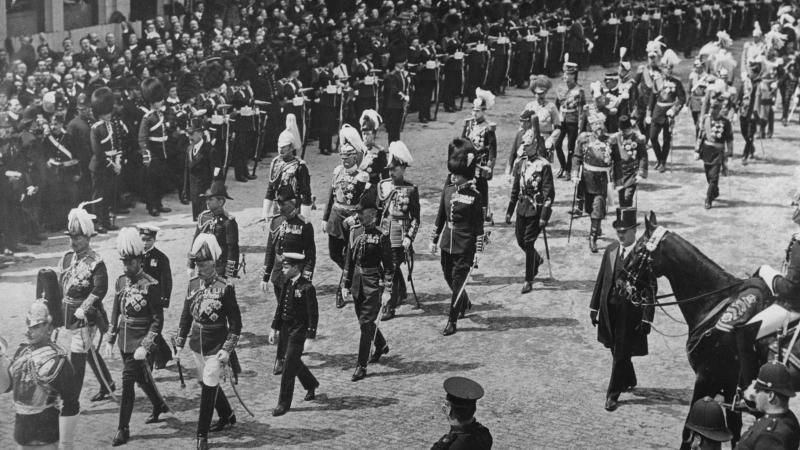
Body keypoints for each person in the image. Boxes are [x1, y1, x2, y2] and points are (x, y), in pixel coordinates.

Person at [175, 234, 243, 450]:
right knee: (206, 381)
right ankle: (227, 414)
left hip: (217, 344)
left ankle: (201, 434)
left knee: (209, 383)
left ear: (214, 262)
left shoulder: (225, 287)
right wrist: (179, 342)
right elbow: (186, 316)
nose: (200, 267)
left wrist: (227, 349)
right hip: (197, 342)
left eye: (204, 263)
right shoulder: (192, 284)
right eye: (197, 263)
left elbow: (236, 324)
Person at [589, 207, 654, 412]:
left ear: (635, 231)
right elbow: (602, 279)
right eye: (618, 231)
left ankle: (612, 394)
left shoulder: (643, 255)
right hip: (609, 311)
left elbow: (651, 288)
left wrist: (647, 318)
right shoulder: (611, 250)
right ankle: (629, 377)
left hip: (630, 314)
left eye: (625, 231)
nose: (621, 234)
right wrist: (594, 306)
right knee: (614, 348)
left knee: (621, 352)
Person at [106, 228, 167, 446]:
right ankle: (159, 404)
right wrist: (111, 338)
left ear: (140, 261)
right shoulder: (121, 281)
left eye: (130, 263)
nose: (126, 267)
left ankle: (123, 428)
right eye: (124, 262)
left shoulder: (151, 284)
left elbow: (157, 320)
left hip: (140, 340)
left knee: (127, 381)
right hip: (124, 338)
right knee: (141, 377)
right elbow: (116, 310)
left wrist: (146, 344)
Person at [3, 300, 80, 450]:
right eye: (28, 326)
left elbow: (71, 403)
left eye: (35, 327)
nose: (28, 331)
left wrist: (66, 443)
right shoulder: (22, 351)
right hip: (22, 433)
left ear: (49, 328)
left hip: (46, 435)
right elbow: (6, 387)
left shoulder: (60, 361)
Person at [58, 205, 115, 403]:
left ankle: (71, 399)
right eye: (71, 237)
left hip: (87, 317)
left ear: (88, 238)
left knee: (78, 356)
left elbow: (100, 289)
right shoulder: (66, 259)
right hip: (68, 313)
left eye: (77, 238)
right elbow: (61, 287)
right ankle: (108, 382)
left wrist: (84, 308)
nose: (73, 242)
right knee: (89, 351)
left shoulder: (95, 262)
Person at [431, 139, 487, 336]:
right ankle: (464, 299)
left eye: (456, 173)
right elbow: (440, 217)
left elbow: (479, 226)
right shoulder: (447, 191)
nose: (453, 176)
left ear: (465, 175)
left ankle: (452, 320)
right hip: (448, 242)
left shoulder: (475, 196)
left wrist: (479, 250)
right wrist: (434, 239)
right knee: (448, 275)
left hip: (465, 245)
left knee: (457, 281)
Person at [262, 185, 316, 375]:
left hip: (295, 274)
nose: (279, 207)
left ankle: (288, 353)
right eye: (277, 203)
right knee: (285, 316)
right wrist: (265, 275)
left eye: (282, 203)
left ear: (292, 202)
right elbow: (271, 249)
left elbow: (310, 253)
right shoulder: (276, 222)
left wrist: (306, 276)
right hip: (279, 274)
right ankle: (282, 357)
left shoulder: (304, 224)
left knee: (292, 316)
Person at [343, 188, 393, 381]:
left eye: (361, 213)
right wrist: (346, 284)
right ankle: (380, 343)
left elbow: (389, 267)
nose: (358, 217)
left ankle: (361, 365)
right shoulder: (355, 232)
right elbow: (349, 259)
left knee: (365, 324)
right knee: (364, 321)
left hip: (373, 284)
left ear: (372, 213)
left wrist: (388, 290)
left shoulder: (382, 236)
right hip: (357, 282)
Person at [323, 125, 370, 309]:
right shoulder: (336, 172)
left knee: (351, 255)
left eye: (348, 157)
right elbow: (330, 195)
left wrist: (357, 218)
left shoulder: (362, 177)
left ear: (355, 157)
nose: (344, 160)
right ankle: (353, 276)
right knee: (335, 254)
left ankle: (343, 286)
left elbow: (365, 202)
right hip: (336, 217)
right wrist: (324, 218)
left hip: (351, 219)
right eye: (342, 157)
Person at [268, 248, 319, 416]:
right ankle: (310, 383)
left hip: (299, 331)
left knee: (288, 366)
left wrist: (310, 336)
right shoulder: (287, 282)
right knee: (294, 361)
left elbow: (313, 313)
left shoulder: (307, 287)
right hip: (285, 329)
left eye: (286, 266)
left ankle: (283, 403)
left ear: (296, 268)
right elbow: (280, 306)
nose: (282, 269)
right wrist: (274, 327)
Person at [506, 123, 554, 294]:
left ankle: (528, 279)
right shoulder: (520, 164)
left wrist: (544, 216)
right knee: (520, 240)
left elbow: (549, 194)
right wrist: (509, 211)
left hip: (536, 209)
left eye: (527, 145)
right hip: (522, 208)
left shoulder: (544, 165)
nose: (525, 148)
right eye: (523, 145)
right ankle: (536, 258)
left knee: (528, 242)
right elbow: (515, 189)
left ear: (535, 145)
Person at [377, 141, 420, 320]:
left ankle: (389, 306)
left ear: (403, 168)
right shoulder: (383, 186)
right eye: (389, 169)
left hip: (400, 235)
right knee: (386, 268)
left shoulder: (411, 189)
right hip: (384, 232)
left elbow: (416, 218)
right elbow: (379, 211)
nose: (391, 172)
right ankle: (401, 290)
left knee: (391, 269)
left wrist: (410, 236)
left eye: (394, 169)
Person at [573, 111, 614, 253]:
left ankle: (593, 237)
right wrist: (575, 173)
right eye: (595, 125)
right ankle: (596, 225)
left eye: (601, 125)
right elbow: (577, 157)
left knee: (598, 207)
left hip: (603, 180)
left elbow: (618, 161)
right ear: (591, 126)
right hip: (587, 179)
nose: (599, 128)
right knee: (590, 209)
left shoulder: (610, 141)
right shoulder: (584, 139)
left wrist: (618, 180)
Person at [737, 362, 800, 450]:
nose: (755, 395)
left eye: (758, 390)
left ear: (770, 396)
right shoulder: (788, 417)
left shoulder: (770, 437)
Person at [262, 114, 312, 222]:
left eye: (284, 147)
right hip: (278, 209)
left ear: (291, 147)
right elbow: (271, 189)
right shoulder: (275, 163)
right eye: (279, 146)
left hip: (294, 209)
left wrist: (304, 217)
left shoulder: (299, 166)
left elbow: (306, 193)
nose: (281, 150)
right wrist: (265, 212)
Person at [137, 224, 174, 370]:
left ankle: (149, 366)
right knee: (150, 329)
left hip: (155, 300)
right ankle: (164, 354)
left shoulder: (160, 257)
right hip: (139, 299)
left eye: (149, 239)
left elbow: (167, 280)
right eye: (143, 239)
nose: (145, 243)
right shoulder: (136, 255)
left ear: (154, 240)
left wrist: (164, 299)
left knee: (152, 330)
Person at [646, 48, 685, 173]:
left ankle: (663, 162)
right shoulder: (657, 81)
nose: (668, 70)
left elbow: (682, 98)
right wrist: (648, 113)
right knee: (652, 137)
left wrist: (674, 109)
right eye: (666, 68)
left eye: (670, 68)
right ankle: (659, 158)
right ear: (662, 68)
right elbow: (652, 98)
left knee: (667, 139)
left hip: (669, 113)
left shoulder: (677, 82)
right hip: (658, 111)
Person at [189, 181, 239, 279]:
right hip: (203, 266)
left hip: (220, 267)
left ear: (220, 202)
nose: (207, 202)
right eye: (207, 199)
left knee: (219, 293)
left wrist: (230, 273)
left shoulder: (228, 222)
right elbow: (195, 242)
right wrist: (191, 264)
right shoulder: (203, 217)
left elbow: (232, 248)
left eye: (211, 199)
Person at [461, 88, 497, 224]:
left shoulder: (488, 127)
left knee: (481, 190)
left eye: (478, 111)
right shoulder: (469, 124)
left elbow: (492, 148)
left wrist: (490, 166)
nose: (475, 113)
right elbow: (462, 142)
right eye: (474, 110)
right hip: (469, 162)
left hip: (480, 164)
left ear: (483, 111)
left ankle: (483, 215)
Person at [89, 87, 122, 232]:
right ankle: (100, 223)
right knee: (99, 196)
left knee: (109, 194)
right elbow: (98, 152)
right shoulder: (95, 128)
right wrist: (112, 165)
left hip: (113, 164)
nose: (109, 115)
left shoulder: (113, 124)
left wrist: (119, 162)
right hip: (100, 166)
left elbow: (119, 144)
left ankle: (108, 222)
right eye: (105, 112)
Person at [138, 77, 172, 217]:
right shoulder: (148, 118)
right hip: (153, 151)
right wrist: (146, 155)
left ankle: (158, 203)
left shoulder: (160, 115)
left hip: (162, 150)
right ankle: (152, 206)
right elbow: (142, 138)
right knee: (151, 182)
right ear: (152, 102)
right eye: (159, 100)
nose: (162, 101)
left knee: (160, 180)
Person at [431, 376, 493, 450]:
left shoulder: (452, 445)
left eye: (445, 404)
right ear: (473, 409)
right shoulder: (484, 434)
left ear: (448, 409)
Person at [695, 92, 733, 209]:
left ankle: (708, 199)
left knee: (714, 176)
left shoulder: (726, 122)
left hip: (718, 151)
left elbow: (729, 138)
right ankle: (714, 191)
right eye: (712, 108)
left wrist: (729, 151)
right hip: (706, 150)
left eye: (716, 108)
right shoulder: (706, 119)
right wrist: (697, 150)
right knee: (708, 176)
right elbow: (700, 135)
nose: (713, 110)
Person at [186, 114, 223, 221]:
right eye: (188, 134)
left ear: (200, 134)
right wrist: (185, 189)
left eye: (192, 134)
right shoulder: (189, 149)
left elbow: (217, 171)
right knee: (198, 220)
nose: (189, 137)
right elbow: (187, 172)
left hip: (206, 191)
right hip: (194, 191)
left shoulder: (210, 150)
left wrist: (213, 189)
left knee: (207, 220)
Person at [554, 58, 585, 179]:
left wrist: (580, 123)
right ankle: (562, 165)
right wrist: (555, 121)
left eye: (568, 74)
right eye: (565, 73)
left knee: (571, 147)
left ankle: (568, 169)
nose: (565, 76)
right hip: (561, 119)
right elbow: (556, 105)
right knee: (557, 144)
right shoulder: (560, 88)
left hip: (573, 119)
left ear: (574, 75)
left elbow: (581, 108)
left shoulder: (579, 90)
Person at [610, 115, 648, 208]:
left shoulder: (637, 139)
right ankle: (624, 219)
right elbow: (611, 155)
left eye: (626, 130)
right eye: (622, 130)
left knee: (628, 197)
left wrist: (641, 173)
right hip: (619, 173)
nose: (624, 132)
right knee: (622, 197)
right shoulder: (615, 139)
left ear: (630, 128)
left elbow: (643, 156)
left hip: (632, 173)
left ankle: (627, 219)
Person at [359, 109, 390, 184]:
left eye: (368, 134)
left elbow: (385, 175)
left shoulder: (380, 152)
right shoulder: (357, 149)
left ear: (374, 134)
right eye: (364, 134)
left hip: (373, 185)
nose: (365, 137)